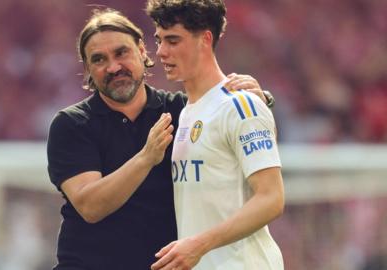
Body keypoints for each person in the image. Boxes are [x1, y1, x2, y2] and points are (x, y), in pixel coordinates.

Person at [47, 8, 273, 270]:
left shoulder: (182, 111)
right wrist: (146, 158)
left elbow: (238, 130)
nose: (113, 67)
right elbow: (90, 206)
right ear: (87, 68)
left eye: (122, 53)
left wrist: (259, 101)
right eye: (99, 60)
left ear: (142, 51)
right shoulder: (72, 124)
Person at [146, 0, 285, 269]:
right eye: (159, 40)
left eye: (173, 40)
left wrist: (199, 244)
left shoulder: (240, 105)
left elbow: (272, 199)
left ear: (205, 39)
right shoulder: (187, 112)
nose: (161, 51)